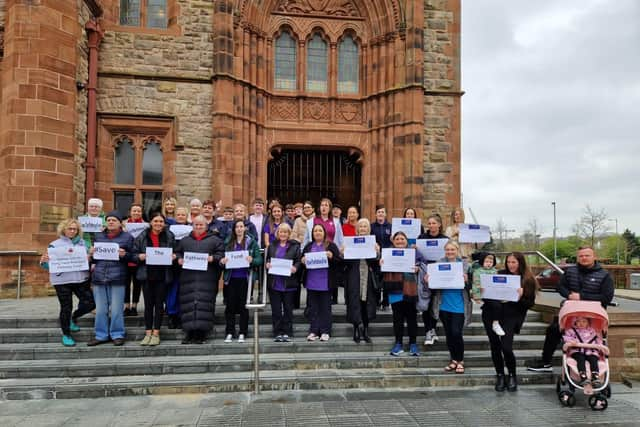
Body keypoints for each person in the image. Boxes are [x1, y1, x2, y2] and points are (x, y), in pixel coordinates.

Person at [527, 246, 614, 372]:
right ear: (578, 257)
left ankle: (597, 368)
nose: (584, 258)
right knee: (553, 330)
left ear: (594, 257)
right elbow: (560, 286)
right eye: (581, 256)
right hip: (570, 313)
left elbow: (607, 297)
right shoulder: (570, 271)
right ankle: (546, 362)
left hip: (592, 316)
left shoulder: (604, 275)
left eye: (587, 255)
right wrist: (568, 295)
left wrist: (581, 297)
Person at [483, 252, 538, 392]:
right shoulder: (499, 274)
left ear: (520, 262)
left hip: (511, 316)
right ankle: (500, 375)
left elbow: (530, 303)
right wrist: (485, 292)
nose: (511, 265)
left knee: (506, 347)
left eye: (514, 262)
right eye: (508, 262)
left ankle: (512, 374)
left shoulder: (527, 280)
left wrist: (520, 296)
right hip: (492, 314)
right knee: (495, 346)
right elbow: (487, 297)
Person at [39, 219, 95, 346]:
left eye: (75, 229)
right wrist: (44, 262)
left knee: (90, 303)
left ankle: (73, 317)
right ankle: (66, 334)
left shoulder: (84, 244)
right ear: (63, 229)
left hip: (81, 279)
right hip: (62, 281)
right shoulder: (54, 245)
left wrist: (90, 257)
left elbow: (91, 261)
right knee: (66, 307)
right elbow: (48, 265)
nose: (72, 231)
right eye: (70, 228)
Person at [175, 215, 224, 344]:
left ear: (206, 226)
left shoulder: (215, 240)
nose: (198, 227)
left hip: (207, 278)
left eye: (201, 225)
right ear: (192, 225)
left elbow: (221, 255)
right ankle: (189, 333)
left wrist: (213, 258)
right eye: (196, 224)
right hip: (188, 278)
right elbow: (177, 253)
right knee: (188, 305)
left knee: (204, 306)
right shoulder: (185, 240)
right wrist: (179, 259)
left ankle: (201, 333)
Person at [88, 211, 134, 346]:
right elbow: (95, 258)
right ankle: (101, 335)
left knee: (116, 309)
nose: (111, 222)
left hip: (118, 277)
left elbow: (133, 256)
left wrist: (125, 255)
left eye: (114, 220)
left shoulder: (127, 237)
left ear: (120, 223)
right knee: (101, 309)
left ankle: (117, 334)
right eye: (109, 220)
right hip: (99, 277)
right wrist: (91, 254)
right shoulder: (98, 236)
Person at [425, 241, 472, 372]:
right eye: (447, 250)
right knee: (449, 334)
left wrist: (467, 281)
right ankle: (453, 360)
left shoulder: (464, 265)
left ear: (457, 250)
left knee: (456, 333)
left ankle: (460, 360)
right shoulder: (438, 264)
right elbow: (433, 287)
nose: (450, 252)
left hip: (459, 305)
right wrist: (429, 281)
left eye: (452, 249)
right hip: (443, 305)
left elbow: (472, 286)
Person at [132, 213, 176, 346]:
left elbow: (177, 251)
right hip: (147, 275)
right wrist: (139, 256)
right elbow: (133, 254)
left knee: (159, 305)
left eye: (161, 221)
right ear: (150, 222)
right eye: (156, 221)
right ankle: (147, 333)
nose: (158, 224)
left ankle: (156, 333)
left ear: (164, 223)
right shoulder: (143, 236)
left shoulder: (169, 236)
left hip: (162, 275)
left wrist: (174, 256)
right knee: (148, 305)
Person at [220, 219, 263, 343]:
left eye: (241, 226)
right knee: (230, 307)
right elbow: (221, 259)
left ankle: (243, 332)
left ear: (245, 228)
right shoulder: (228, 242)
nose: (239, 229)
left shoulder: (251, 242)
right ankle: (229, 332)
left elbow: (259, 260)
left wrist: (252, 260)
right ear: (234, 229)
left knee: (244, 307)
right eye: (237, 227)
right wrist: (222, 261)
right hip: (231, 278)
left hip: (245, 279)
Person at [302, 224, 342, 342]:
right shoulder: (309, 246)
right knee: (313, 308)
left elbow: (339, 261)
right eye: (315, 231)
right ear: (312, 234)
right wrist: (302, 260)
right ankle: (314, 331)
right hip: (311, 282)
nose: (318, 233)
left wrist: (332, 256)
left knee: (325, 308)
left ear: (324, 233)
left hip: (326, 283)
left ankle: (325, 331)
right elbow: (302, 260)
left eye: (320, 230)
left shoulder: (331, 245)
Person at [382, 231, 419, 356]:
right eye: (397, 239)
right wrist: (381, 263)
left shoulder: (414, 253)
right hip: (395, 290)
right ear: (393, 241)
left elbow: (422, 264)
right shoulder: (387, 253)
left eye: (402, 239)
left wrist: (418, 268)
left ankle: (413, 344)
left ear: (406, 240)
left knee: (411, 318)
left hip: (410, 289)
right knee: (397, 319)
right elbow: (381, 271)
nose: (399, 241)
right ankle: (398, 343)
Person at [342, 218, 379, 343]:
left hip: (367, 275)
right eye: (361, 226)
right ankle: (356, 328)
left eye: (365, 226)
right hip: (354, 275)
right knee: (355, 301)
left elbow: (376, 262)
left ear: (368, 229)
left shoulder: (373, 242)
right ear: (357, 229)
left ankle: (366, 329)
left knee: (366, 302)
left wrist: (377, 252)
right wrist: (343, 253)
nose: (363, 228)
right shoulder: (351, 242)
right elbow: (346, 262)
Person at [265, 223, 301, 342]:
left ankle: (287, 331)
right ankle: (277, 332)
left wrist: (295, 267)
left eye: (285, 232)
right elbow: (268, 261)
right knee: (276, 310)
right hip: (275, 283)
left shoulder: (295, 246)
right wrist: (267, 265)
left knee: (288, 309)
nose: (283, 234)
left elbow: (298, 261)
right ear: (278, 233)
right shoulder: (272, 246)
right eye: (281, 232)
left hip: (289, 283)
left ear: (289, 234)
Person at [416, 214, 448, 345]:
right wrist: (415, 250)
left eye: (434, 223)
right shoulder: (421, 238)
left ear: (439, 225)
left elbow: (450, 254)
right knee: (426, 302)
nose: (431, 226)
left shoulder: (445, 239)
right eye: (429, 223)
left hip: (439, 273)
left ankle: (433, 328)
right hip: (425, 273)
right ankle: (428, 331)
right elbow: (417, 256)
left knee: (435, 302)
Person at [563, 316, 605, 388]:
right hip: (577, 351)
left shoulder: (592, 331)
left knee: (594, 359)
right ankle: (583, 377)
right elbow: (566, 337)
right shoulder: (572, 331)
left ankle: (595, 376)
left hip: (591, 351)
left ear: (588, 323)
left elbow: (597, 339)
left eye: (584, 321)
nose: (581, 323)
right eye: (578, 321)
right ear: (575, 323)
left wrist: (600, 346)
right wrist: (571, 341)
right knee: (580, 359)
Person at [166, 207, 190, 329]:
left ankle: (182, 315)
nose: (180, 216)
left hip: (187, 263)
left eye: (183, 215)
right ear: (175, 216)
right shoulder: (169, 229)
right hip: (173, 264)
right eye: (178, 214)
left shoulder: (191, 229)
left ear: (187, 216)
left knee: (184, 291)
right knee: (173, 290)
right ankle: (172, 314)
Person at [123, 203, 146, 317]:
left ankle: (134, 306)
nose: (136, 213)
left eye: (138, 211)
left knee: (137, 283)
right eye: (134, 211)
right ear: (130, 212)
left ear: (141, 213)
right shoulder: (123, 225)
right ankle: (126, 305)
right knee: (125, 283)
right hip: (126, 258)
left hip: (139, 258)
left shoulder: (145, 225)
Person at [472, 252, 503, 336]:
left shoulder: (495, 271)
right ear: (482, 262)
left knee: (497, 305)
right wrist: (477, 297)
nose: (489, 264)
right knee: (496, 305)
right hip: (484, 293)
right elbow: (475, 284)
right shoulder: (478, 272)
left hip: (494, 293)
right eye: (486, 262)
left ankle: (496, 322)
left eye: (490, 262)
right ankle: (495, 323)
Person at [371, 204, 392, 310]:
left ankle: (386, 302)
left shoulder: (390, 227)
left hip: (388, 258)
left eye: (382, 212)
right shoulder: (371, 227)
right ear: (375, 214)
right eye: (379, 212)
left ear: (386, 214)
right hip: (376, 258)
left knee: (387, 280)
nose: (380, 214)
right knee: (377, 280)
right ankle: (377, 301)